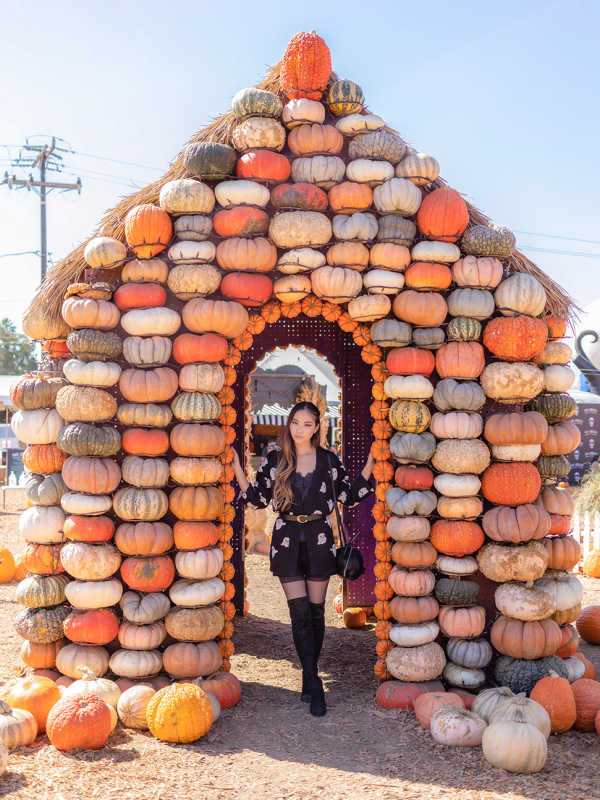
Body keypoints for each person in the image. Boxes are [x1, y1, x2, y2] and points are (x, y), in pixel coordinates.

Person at [231, 401, 375, 718]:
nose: (299, 429)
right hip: (286, 541)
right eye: (295, 422)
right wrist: (236, 469)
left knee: (316, 614)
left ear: (316, 427)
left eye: (307, 424)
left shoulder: (327, 460)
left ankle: (309, 678)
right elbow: (257, 500)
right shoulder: (275, 460)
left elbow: (349, 496)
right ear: (290, 424)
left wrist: (371, 462)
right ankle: (315, 684)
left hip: (320, 539)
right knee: (298, 615)